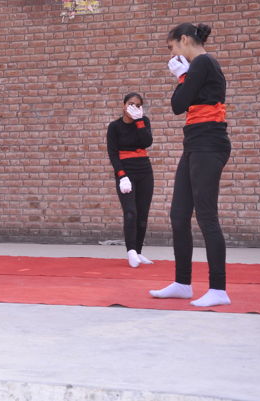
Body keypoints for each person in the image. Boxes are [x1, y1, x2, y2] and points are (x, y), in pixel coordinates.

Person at [150, 23, 232, 307]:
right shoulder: (198, 67)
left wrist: (182, 76)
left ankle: (218, 289)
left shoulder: (202, 63)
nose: (171, 53)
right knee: (178, 215)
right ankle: (183, 283)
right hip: (195, 144)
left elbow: (177, 104)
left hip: (209, 144)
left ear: (184, 39)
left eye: (171, 46)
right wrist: (185, 78)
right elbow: (182, 103)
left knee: (206, 215)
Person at [106, 93, 154, 268]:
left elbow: (147, 142)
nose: (134, 108)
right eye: (131, 104)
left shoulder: (144, 121)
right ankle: (131, 251)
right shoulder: (114, 127)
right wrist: (121, 175)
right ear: (124, 105)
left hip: (144, 170)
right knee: (130, 212)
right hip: (126, 172)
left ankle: (139, 251)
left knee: (142, 213)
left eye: (138, 105)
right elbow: (113, 153)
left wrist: (139, 121)